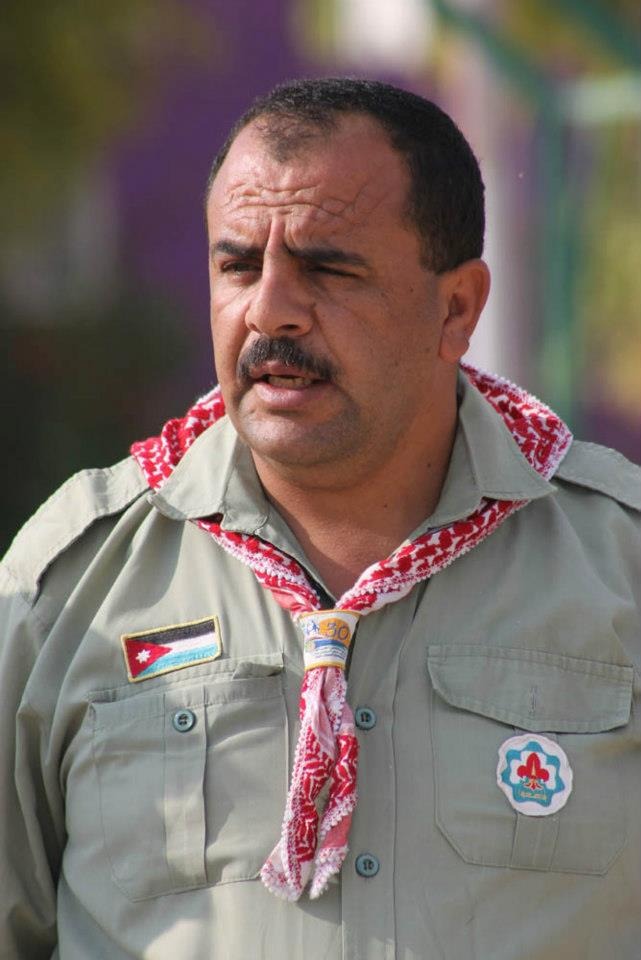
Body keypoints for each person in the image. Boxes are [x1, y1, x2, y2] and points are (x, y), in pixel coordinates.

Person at [1, 77, 639, 960]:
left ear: (455, 308)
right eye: (236, 266)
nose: (269, 310)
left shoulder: (617, 566)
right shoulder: (71, 582)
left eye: (329, 269)